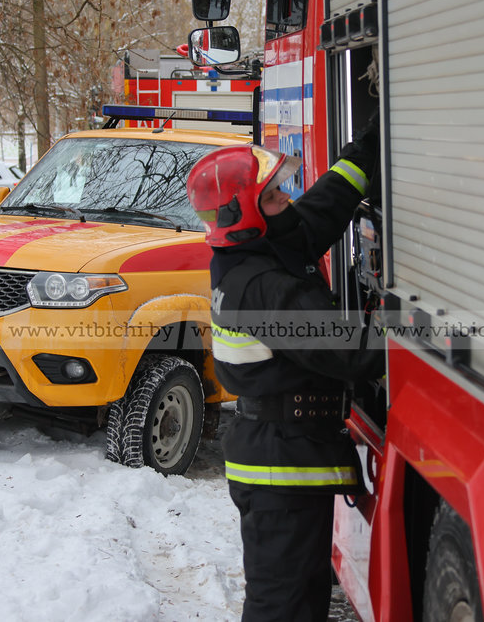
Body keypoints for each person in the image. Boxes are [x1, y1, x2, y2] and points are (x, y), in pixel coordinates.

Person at [186, 121, 384, 621]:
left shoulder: (253, 250)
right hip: (280, 470)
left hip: (285, 459)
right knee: (284, 609)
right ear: (247, 215)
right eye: (273, 197)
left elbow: (321, 209)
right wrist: (428, 330)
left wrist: (369, 148)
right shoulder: (262, 288)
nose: (287, 200)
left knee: (302, 600)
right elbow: (350, 352)